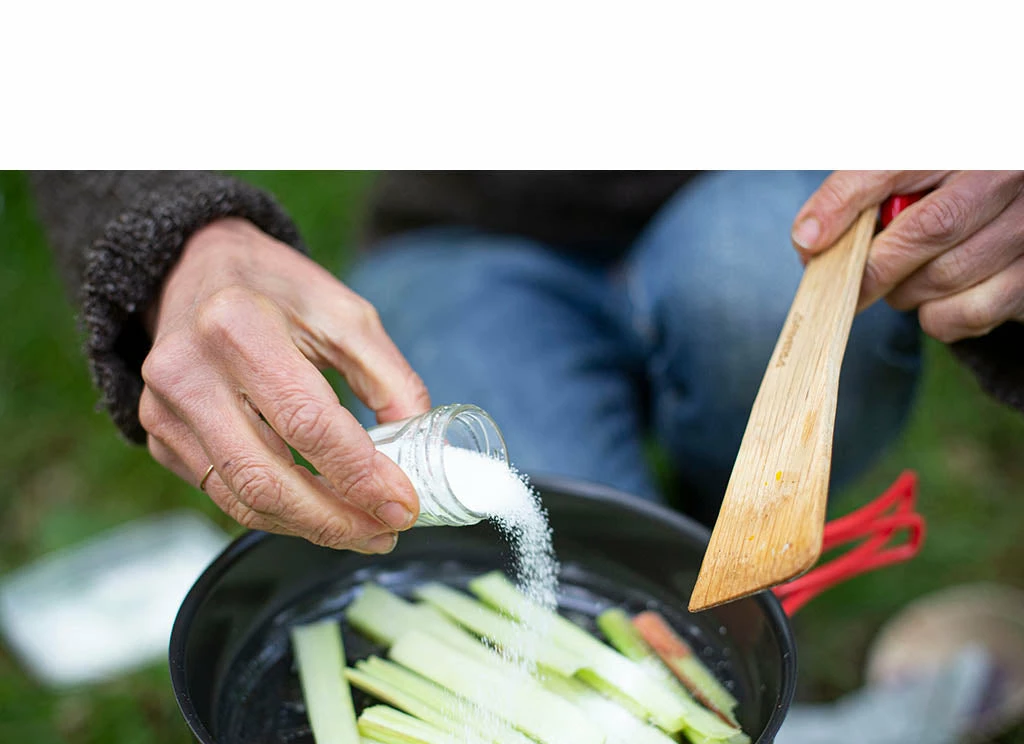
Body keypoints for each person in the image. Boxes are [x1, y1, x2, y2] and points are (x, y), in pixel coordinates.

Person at [30, 171, 1024, 545]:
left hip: (780, 187)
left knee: (758, 292)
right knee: (543, 551)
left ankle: (728, 530)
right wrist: (181, 240)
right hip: (467, 228)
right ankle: (678, 555)